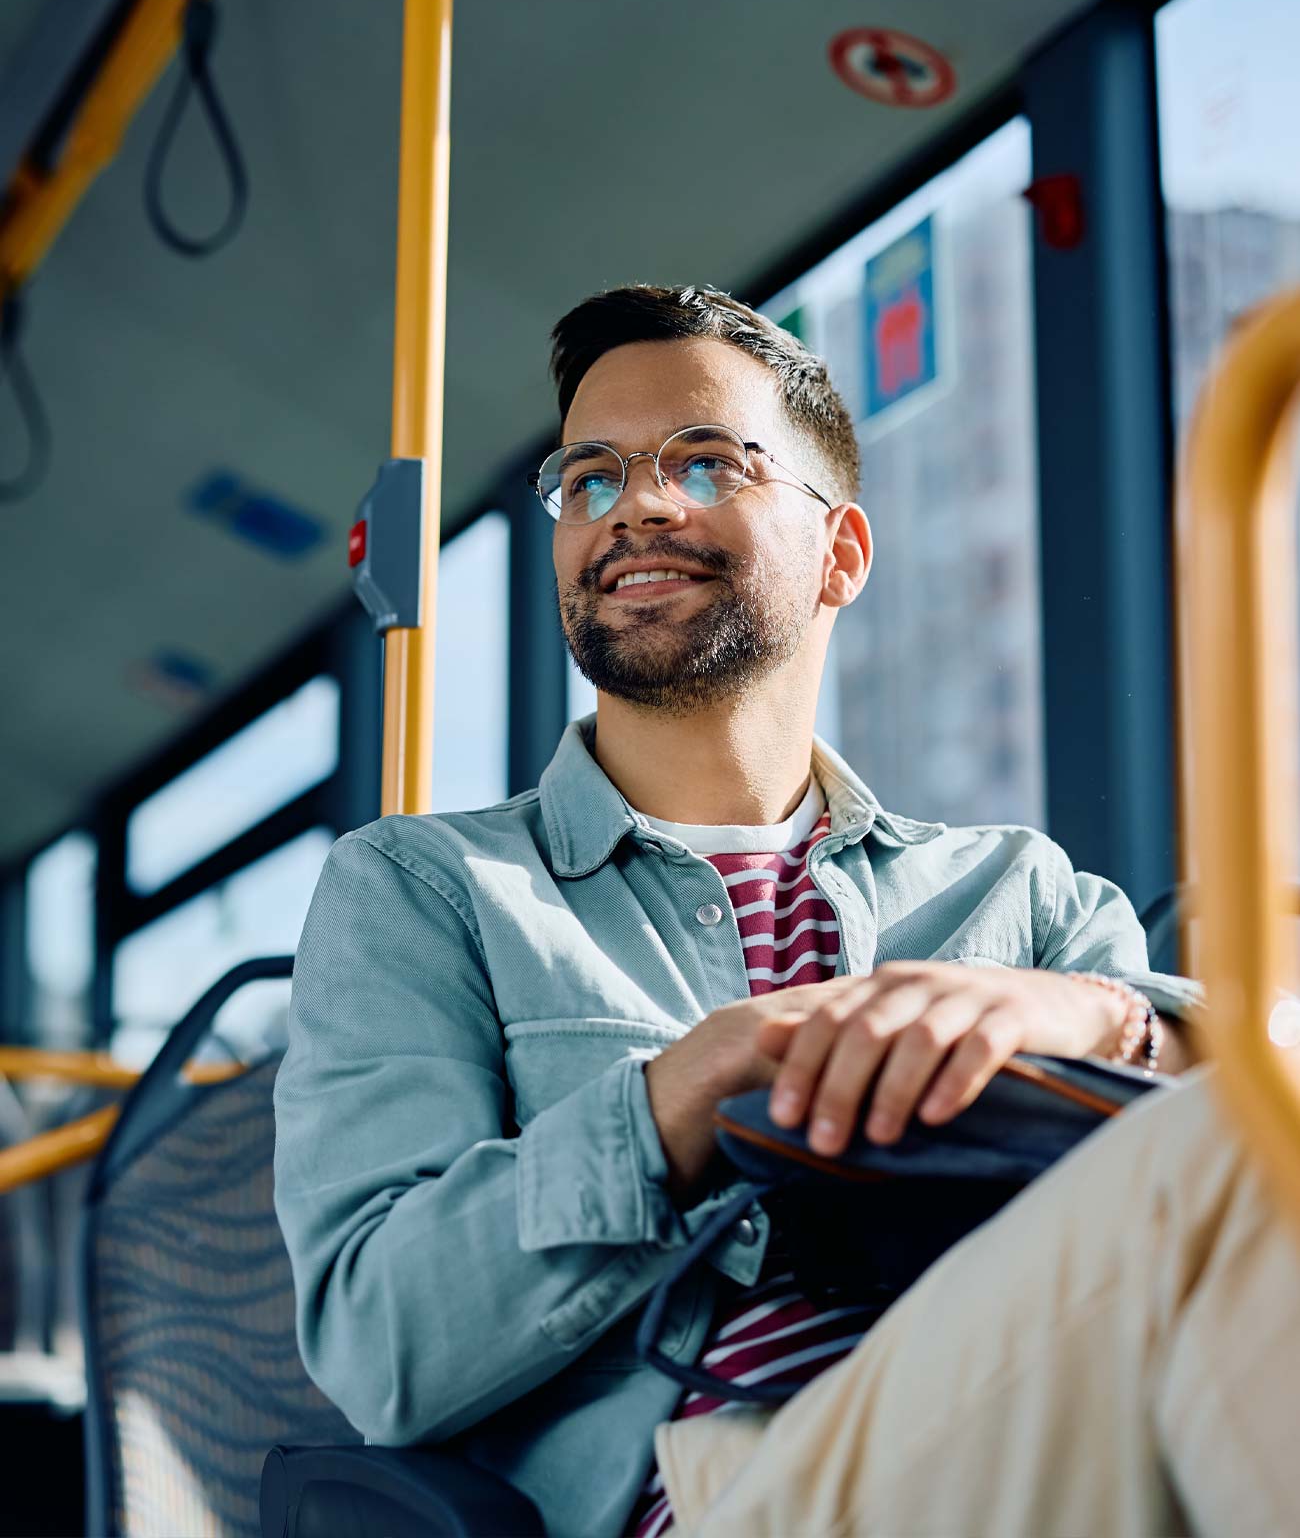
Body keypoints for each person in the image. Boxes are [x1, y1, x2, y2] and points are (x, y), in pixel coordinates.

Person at [272, 285, 1298, 1538]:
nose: (637, 503)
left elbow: (1236, 1117)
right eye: (587, 478)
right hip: (707, 1492)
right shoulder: (427, 892)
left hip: (1048, 1438)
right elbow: (382, 1346)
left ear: (841, 552)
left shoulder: (1014, 892)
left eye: (704, 462)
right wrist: (692, 1087)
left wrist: (1088, 1013)